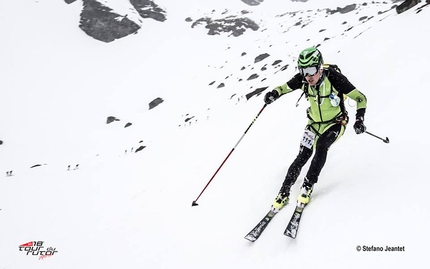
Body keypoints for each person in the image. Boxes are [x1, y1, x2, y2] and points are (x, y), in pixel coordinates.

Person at [263, 47, 367, 211]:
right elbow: (283, 88)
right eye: (303, 70)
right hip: (313, 124)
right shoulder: (303, 79)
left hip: (336, 123)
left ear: (319, 67)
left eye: (311, 70)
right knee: (303, 155)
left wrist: (359, 119)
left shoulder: (334, 78)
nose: (308, 76)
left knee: (321, 146)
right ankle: (284, 191)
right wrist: (273, 94)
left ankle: (307, 186)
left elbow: (361, 98)